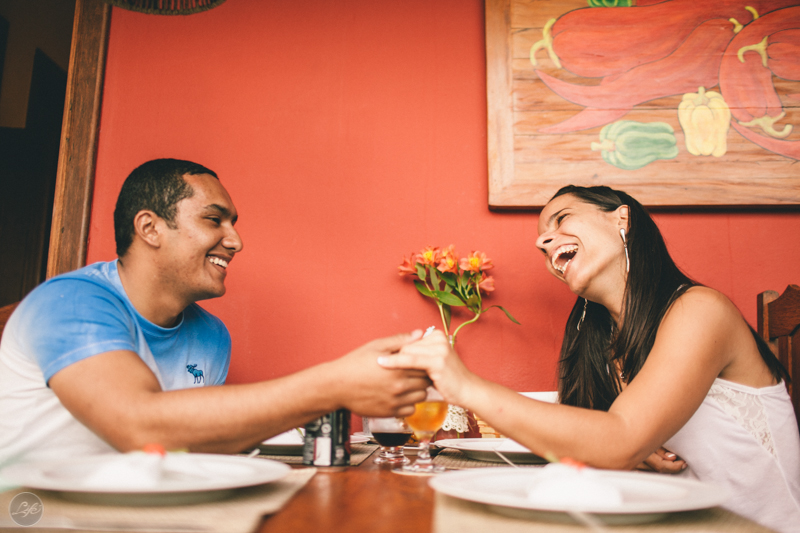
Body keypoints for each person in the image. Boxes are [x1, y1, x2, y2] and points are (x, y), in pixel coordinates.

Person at [380, 185, 800, 533]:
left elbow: (616, 442)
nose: (542, 242)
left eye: (561, 219)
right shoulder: (599, 341)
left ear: (622, 220)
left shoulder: (701, 309)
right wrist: (638, 446)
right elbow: (598, 448)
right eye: (542, 241)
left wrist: (464, 385)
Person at [0, 158, 429, 466]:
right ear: (150, 228)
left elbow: (199, 447)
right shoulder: (71, 301)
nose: (236, 241)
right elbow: (140, 428)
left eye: (234, 223)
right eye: (214, 220)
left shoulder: (211, 335)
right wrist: (335, 385)